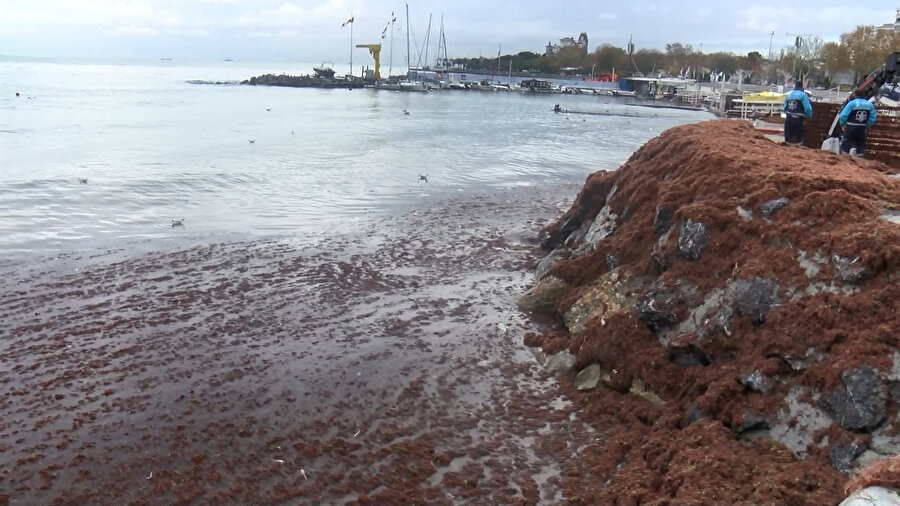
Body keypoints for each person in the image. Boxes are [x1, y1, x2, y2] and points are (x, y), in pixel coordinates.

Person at [838, 92, 877, 157]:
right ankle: (860, 161)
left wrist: (842, 124)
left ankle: (844, 160)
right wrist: (867, 126)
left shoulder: (851, 103)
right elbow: (873, 118)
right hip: (862, 128)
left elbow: (843, 116)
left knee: (846, 143)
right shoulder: (870, 105)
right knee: (860, 145)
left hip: (850, 127)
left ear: (855, 95)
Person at [782, 81, 812, 145]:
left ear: (795, 86)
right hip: (798, 120)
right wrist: (808, 116)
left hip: (788, 119)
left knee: (787, 141)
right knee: (798, 141)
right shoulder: (803, 95)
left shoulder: (788, 95)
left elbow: (784, 108)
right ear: (802, 86)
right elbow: (807, 108)